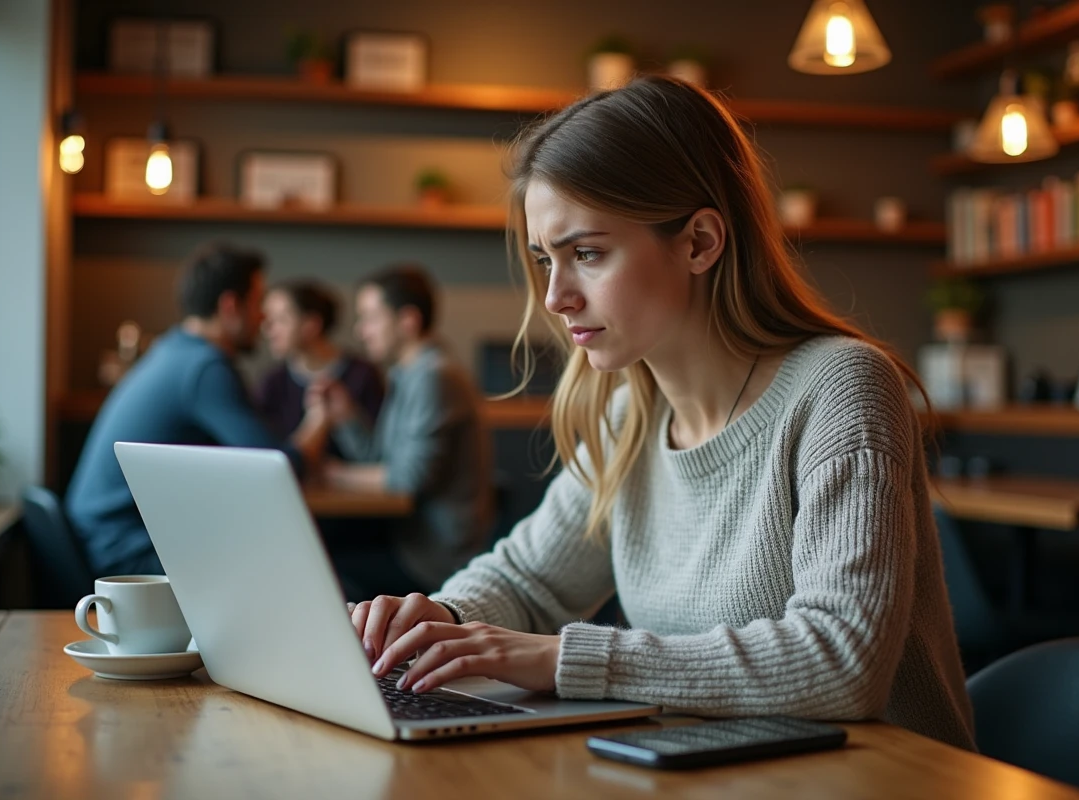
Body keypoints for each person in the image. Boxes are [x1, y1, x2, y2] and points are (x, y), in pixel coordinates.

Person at [349, 77, 976, 751]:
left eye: (586, 253)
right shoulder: (631, 414)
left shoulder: (840, 389)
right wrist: (436, 617)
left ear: (700, 242)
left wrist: (564, 660)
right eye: (545, 260)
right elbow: (530, 580)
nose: (556, 296)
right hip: (724, 770)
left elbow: (841, 662)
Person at [66, 243, 332, 577]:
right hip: (125, 551)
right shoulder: (205, 368)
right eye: (257, 302)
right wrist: (320, 420)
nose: (263, 317)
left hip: (104, 538)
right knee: (302, 578)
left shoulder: (173, 351)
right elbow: (279, 470)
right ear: (230, 306)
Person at [319, 264, 493, 598]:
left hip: (433, 557)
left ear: (407, 321)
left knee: (324, 563)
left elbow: (409, 478)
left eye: (370, 317)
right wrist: (346, 417)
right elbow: (380, 459)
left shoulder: (434, 376)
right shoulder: (407, 373)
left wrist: (335, 475)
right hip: (410, 541)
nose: (360, 330)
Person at [257, 280, 385, 457]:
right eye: (267, 320)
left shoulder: (363, 375)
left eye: (280, 320)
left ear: (311, 325)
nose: (268, 329)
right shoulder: (272, 382)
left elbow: (379, 449)